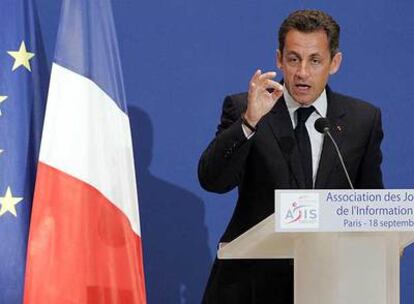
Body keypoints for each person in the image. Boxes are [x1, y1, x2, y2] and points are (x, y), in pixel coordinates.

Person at [198, 9, 384, 304]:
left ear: (334, 63)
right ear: (279, 59)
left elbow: (369, 204)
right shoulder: (247, 108)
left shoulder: (363, 120)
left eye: (315, 61)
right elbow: (213, 180)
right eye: (294, 59)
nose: (302, 73)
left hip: (329, 286)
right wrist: (248, 122)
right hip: (251, 286)